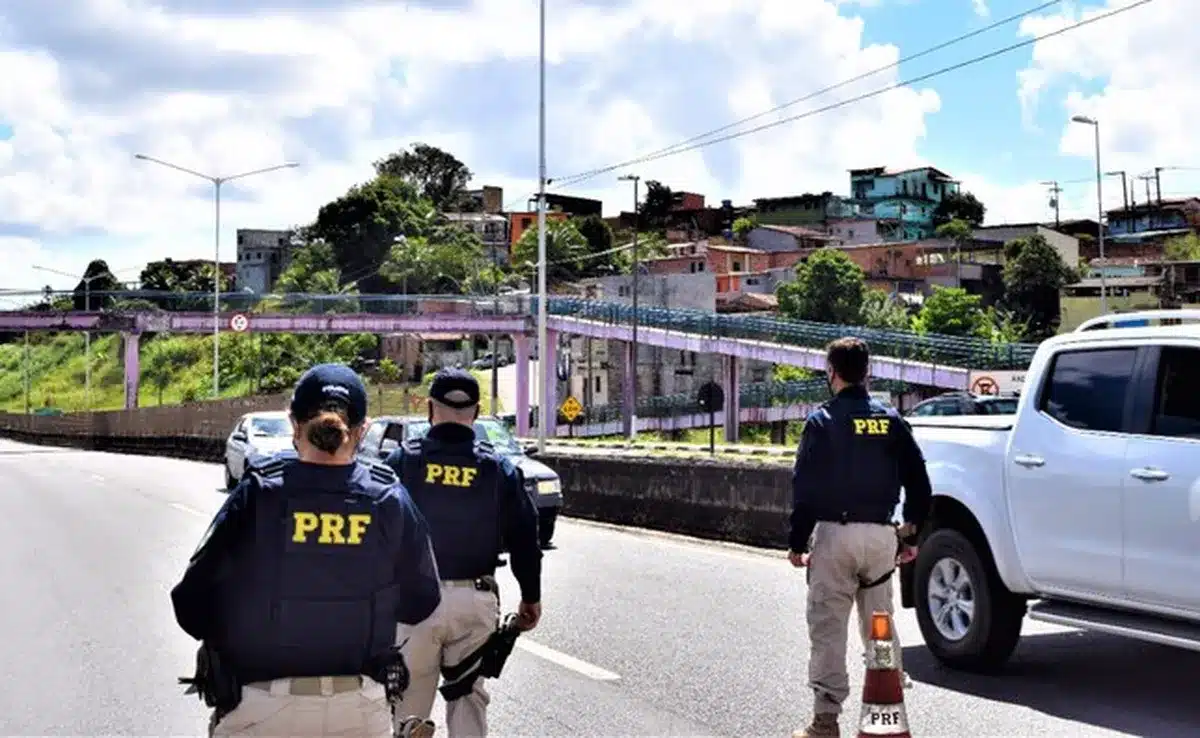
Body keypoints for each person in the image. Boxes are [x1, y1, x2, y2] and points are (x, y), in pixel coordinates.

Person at [171, 363, 443, 738]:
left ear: (293, 424)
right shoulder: (388, 498)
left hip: (263, 708)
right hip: (359, 710)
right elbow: (424, 599)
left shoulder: (260, 493)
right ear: (361, 431)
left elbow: (190, 603)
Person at [385, 367, 543, 737]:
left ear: (430, 409)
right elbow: (525, 538)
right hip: (475, 600)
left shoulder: (403, 463)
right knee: (469, 697)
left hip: (414, 602)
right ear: (475, 412)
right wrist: (531, 597)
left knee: (407, 707)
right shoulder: (497, 468)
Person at [788, 338, 932, 738]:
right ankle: (885, 714)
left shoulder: (822, 421)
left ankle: (825, 720)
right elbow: (920, 482)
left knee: (828, 626)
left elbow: (806, 489)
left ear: (832, 373)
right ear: (868, 372)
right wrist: (911, 533)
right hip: (881, 537)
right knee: (880, 627)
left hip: (835, 536)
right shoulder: (890, 421)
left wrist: (798, 542)